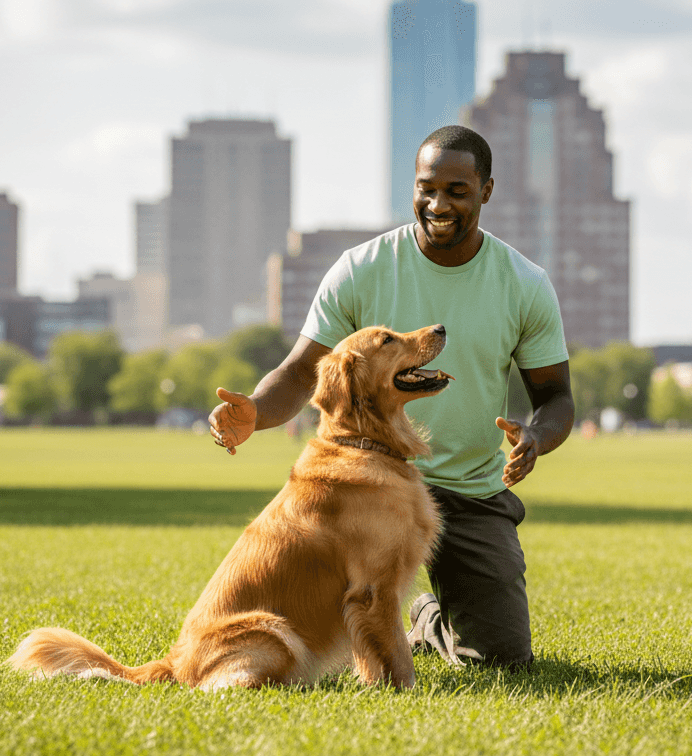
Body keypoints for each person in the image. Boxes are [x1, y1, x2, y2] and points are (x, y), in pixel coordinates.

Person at [208, 125, 574, 670]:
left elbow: (557, 397)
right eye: (427, 188)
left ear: (486, 191)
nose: (438, 204)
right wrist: (256, 411)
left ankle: (427, 619)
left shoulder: (523, 282)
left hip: (469, 489)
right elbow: (302, 371)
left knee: (501, 659)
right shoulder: (360, 269)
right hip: (364, 481)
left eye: (456, 191)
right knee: (341, 595)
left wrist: (536, 437)